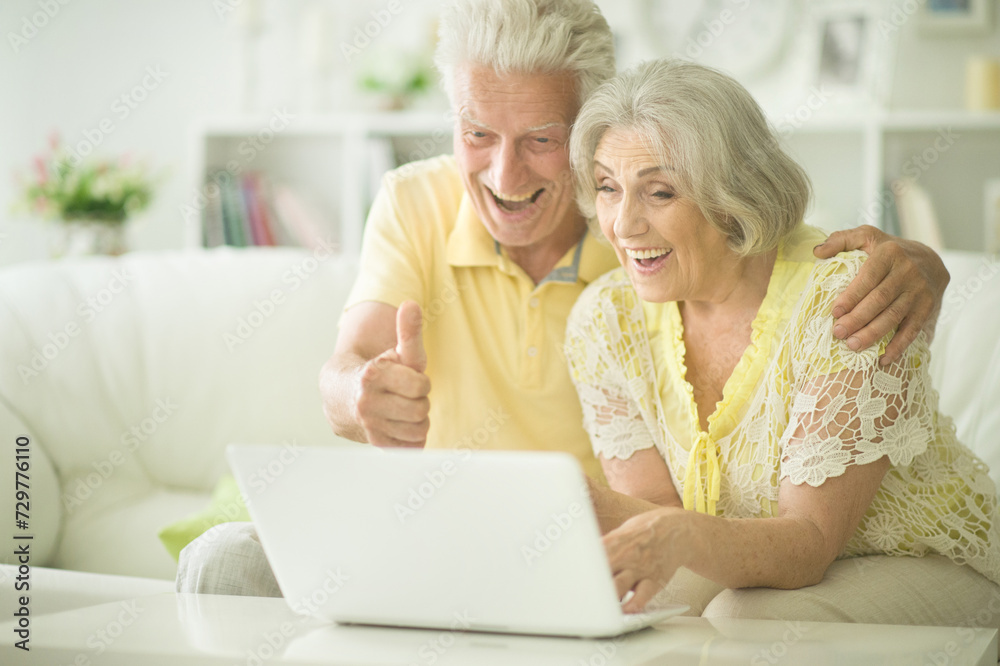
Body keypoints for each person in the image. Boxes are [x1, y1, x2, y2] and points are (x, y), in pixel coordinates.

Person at [176, 0, 951, 596]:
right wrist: (358, 392)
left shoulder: (641, 226)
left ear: (589, 125)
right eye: (477, 134)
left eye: (543, 140)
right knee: (225, 562)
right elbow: (346, 369)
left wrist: (924, 265)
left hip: (595, 547)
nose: (506, 179)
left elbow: (764, 245)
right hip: (436, 528)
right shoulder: (415, 202)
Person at [564, 58, 1000, 631]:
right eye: (607, 188)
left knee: (745, 619)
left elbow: (809, 541)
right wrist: (576, 505)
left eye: (660, 192)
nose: (622, 225)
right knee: (639, 607)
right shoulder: (605, 318)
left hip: (923, 559)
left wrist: (671, 534)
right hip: (764, 562)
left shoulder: (847, 298)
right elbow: (660, 518)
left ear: (730, 196)